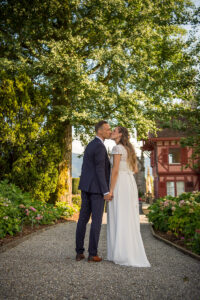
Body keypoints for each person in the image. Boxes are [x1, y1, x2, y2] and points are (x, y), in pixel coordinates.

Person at [107, 126, 151, 267]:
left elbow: (115, 171)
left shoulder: (117, 149)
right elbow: (136, 169)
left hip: (120, 183)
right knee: (127, 217)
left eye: (114, 131)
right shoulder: (129, 149)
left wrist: (111, 190)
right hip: (129, 183)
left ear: (120, 135)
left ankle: (120, 253)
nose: (112, 132)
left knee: (118, 215)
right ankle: (128, 251)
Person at [75, 120, 112, 262]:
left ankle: (79, 253)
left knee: (82, 220)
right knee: (96, 221)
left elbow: (86, 168)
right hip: (97, 190)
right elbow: (100, 170)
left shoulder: (90, 145)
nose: (109, 131)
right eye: (108, 129)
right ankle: (92, 254)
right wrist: (105, 191)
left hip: (85, 188)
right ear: (100, 131)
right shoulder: (100, 147)